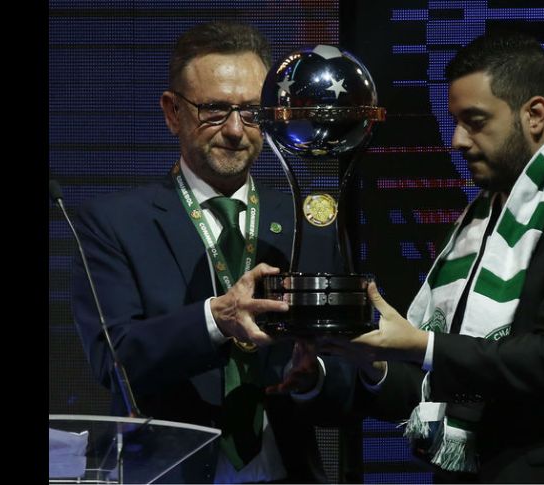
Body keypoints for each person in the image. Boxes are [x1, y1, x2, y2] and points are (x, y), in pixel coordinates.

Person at [329, 30, 544, 483]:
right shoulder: (478, 224)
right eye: (455, 121)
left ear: (534, 115)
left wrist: (421, 346)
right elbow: (443, 378)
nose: (459, 140)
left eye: (476, 121)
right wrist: (374, 361)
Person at [72, 21, 355, 483]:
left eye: (251, 111)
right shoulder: (113, 223)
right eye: (215, 110)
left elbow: (347, 374)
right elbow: (114, 359)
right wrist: (214, 319)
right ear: (172, 113)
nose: (235, 131)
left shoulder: (309, 221)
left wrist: (317, 378)